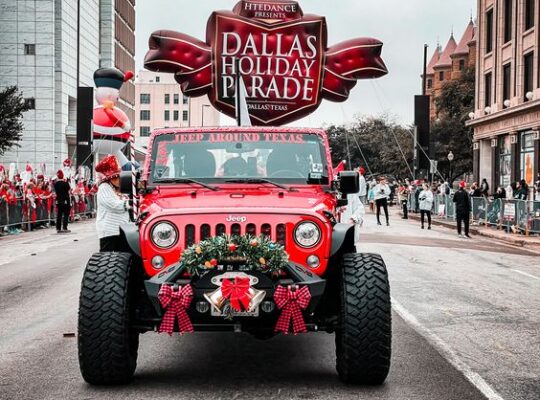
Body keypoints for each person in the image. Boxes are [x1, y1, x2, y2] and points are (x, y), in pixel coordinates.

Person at [95, 155, 132, 251]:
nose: (119, 180)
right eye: (115, 178)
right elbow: (113, 205)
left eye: (119, 177)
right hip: (109, 232)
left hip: (120, 230)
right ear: (109, 178)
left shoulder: (117, 189)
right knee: (107, 258)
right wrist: (129, 204)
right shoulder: (104, 188)